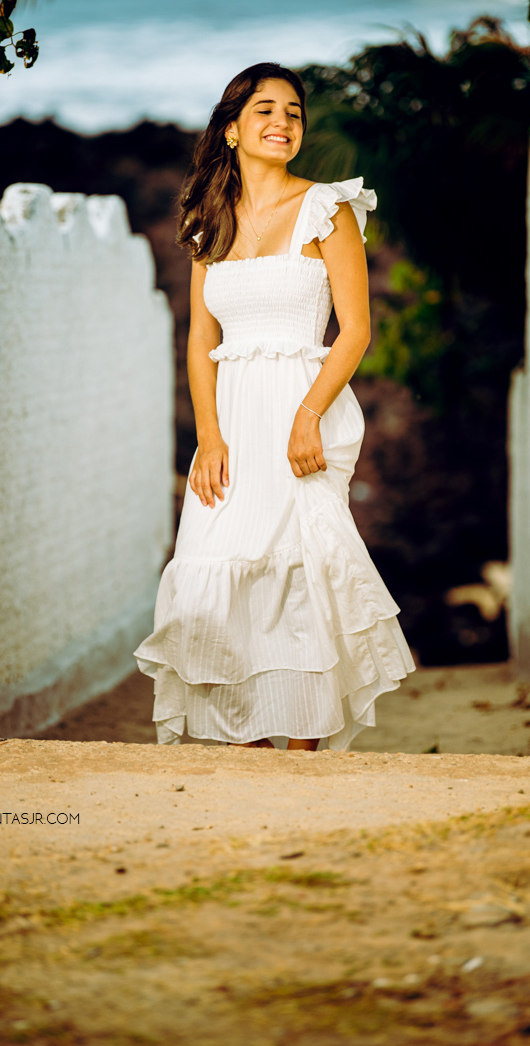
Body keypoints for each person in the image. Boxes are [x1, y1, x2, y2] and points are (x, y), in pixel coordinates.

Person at [134, 62, 414, 750]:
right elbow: (201, 339)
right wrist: (208, 437)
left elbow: (355, 330)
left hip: (302, 411)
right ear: (231, 129)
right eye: (264, 110)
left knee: (298, 571)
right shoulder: (206, 220)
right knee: (214, 568)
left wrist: (308, 415)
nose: (282, 123)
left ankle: (302, 747)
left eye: (293, 112)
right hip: (231, 420)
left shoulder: (327, 209)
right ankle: (251, 745)